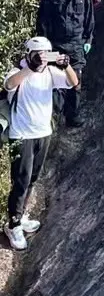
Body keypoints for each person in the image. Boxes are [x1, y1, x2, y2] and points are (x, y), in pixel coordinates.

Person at [4, 37, 79, 251]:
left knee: (33, 179)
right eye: (39, 54)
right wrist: (31, 68)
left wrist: (66, 66)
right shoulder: (17, 72)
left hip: (43, 133)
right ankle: (13, 225)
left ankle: (20, 215)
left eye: (47, 53)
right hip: (21, 135)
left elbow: (74, 83)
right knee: (21, 180)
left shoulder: (50, 73)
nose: (43, 59)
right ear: (29, 54)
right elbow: (9, 84)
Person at [35, 0, 95, 129]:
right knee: (53, 81)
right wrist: (44, 44)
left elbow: (89, 18)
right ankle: (52, 116)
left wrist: (88, 39)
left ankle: (72, 116)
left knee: (75, 81)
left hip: (76, 44)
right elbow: (43, 19)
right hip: (55, 43)